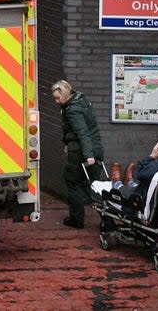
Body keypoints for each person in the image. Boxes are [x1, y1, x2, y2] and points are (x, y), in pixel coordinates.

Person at [51, 79, 104, 229]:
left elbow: (82, 133)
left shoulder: (72, 110)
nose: (56, 101)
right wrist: (68, 144)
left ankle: (76, 220)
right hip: (96, 148)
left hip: (82, 152)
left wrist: (89, 156)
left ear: (66, 93)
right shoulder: (82, 100)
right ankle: (109, 218)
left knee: (73, 184)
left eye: (57, 97)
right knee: (94, 186)